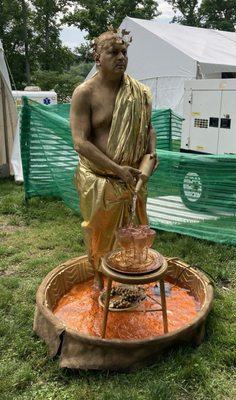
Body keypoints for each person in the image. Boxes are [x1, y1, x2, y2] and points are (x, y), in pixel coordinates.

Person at [70, 28, 157, 287]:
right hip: (98, 181)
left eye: (124, 52)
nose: (121, 57)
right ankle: (100, 281)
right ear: (97, 56)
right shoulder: (84, 93)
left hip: (133, 181)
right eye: (113, 52)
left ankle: (130, 282)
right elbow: (80, 142)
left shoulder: (138, 92)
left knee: (135, 235)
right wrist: (118, 169)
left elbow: (148, 128)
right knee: (99, 236)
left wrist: (152, 152)